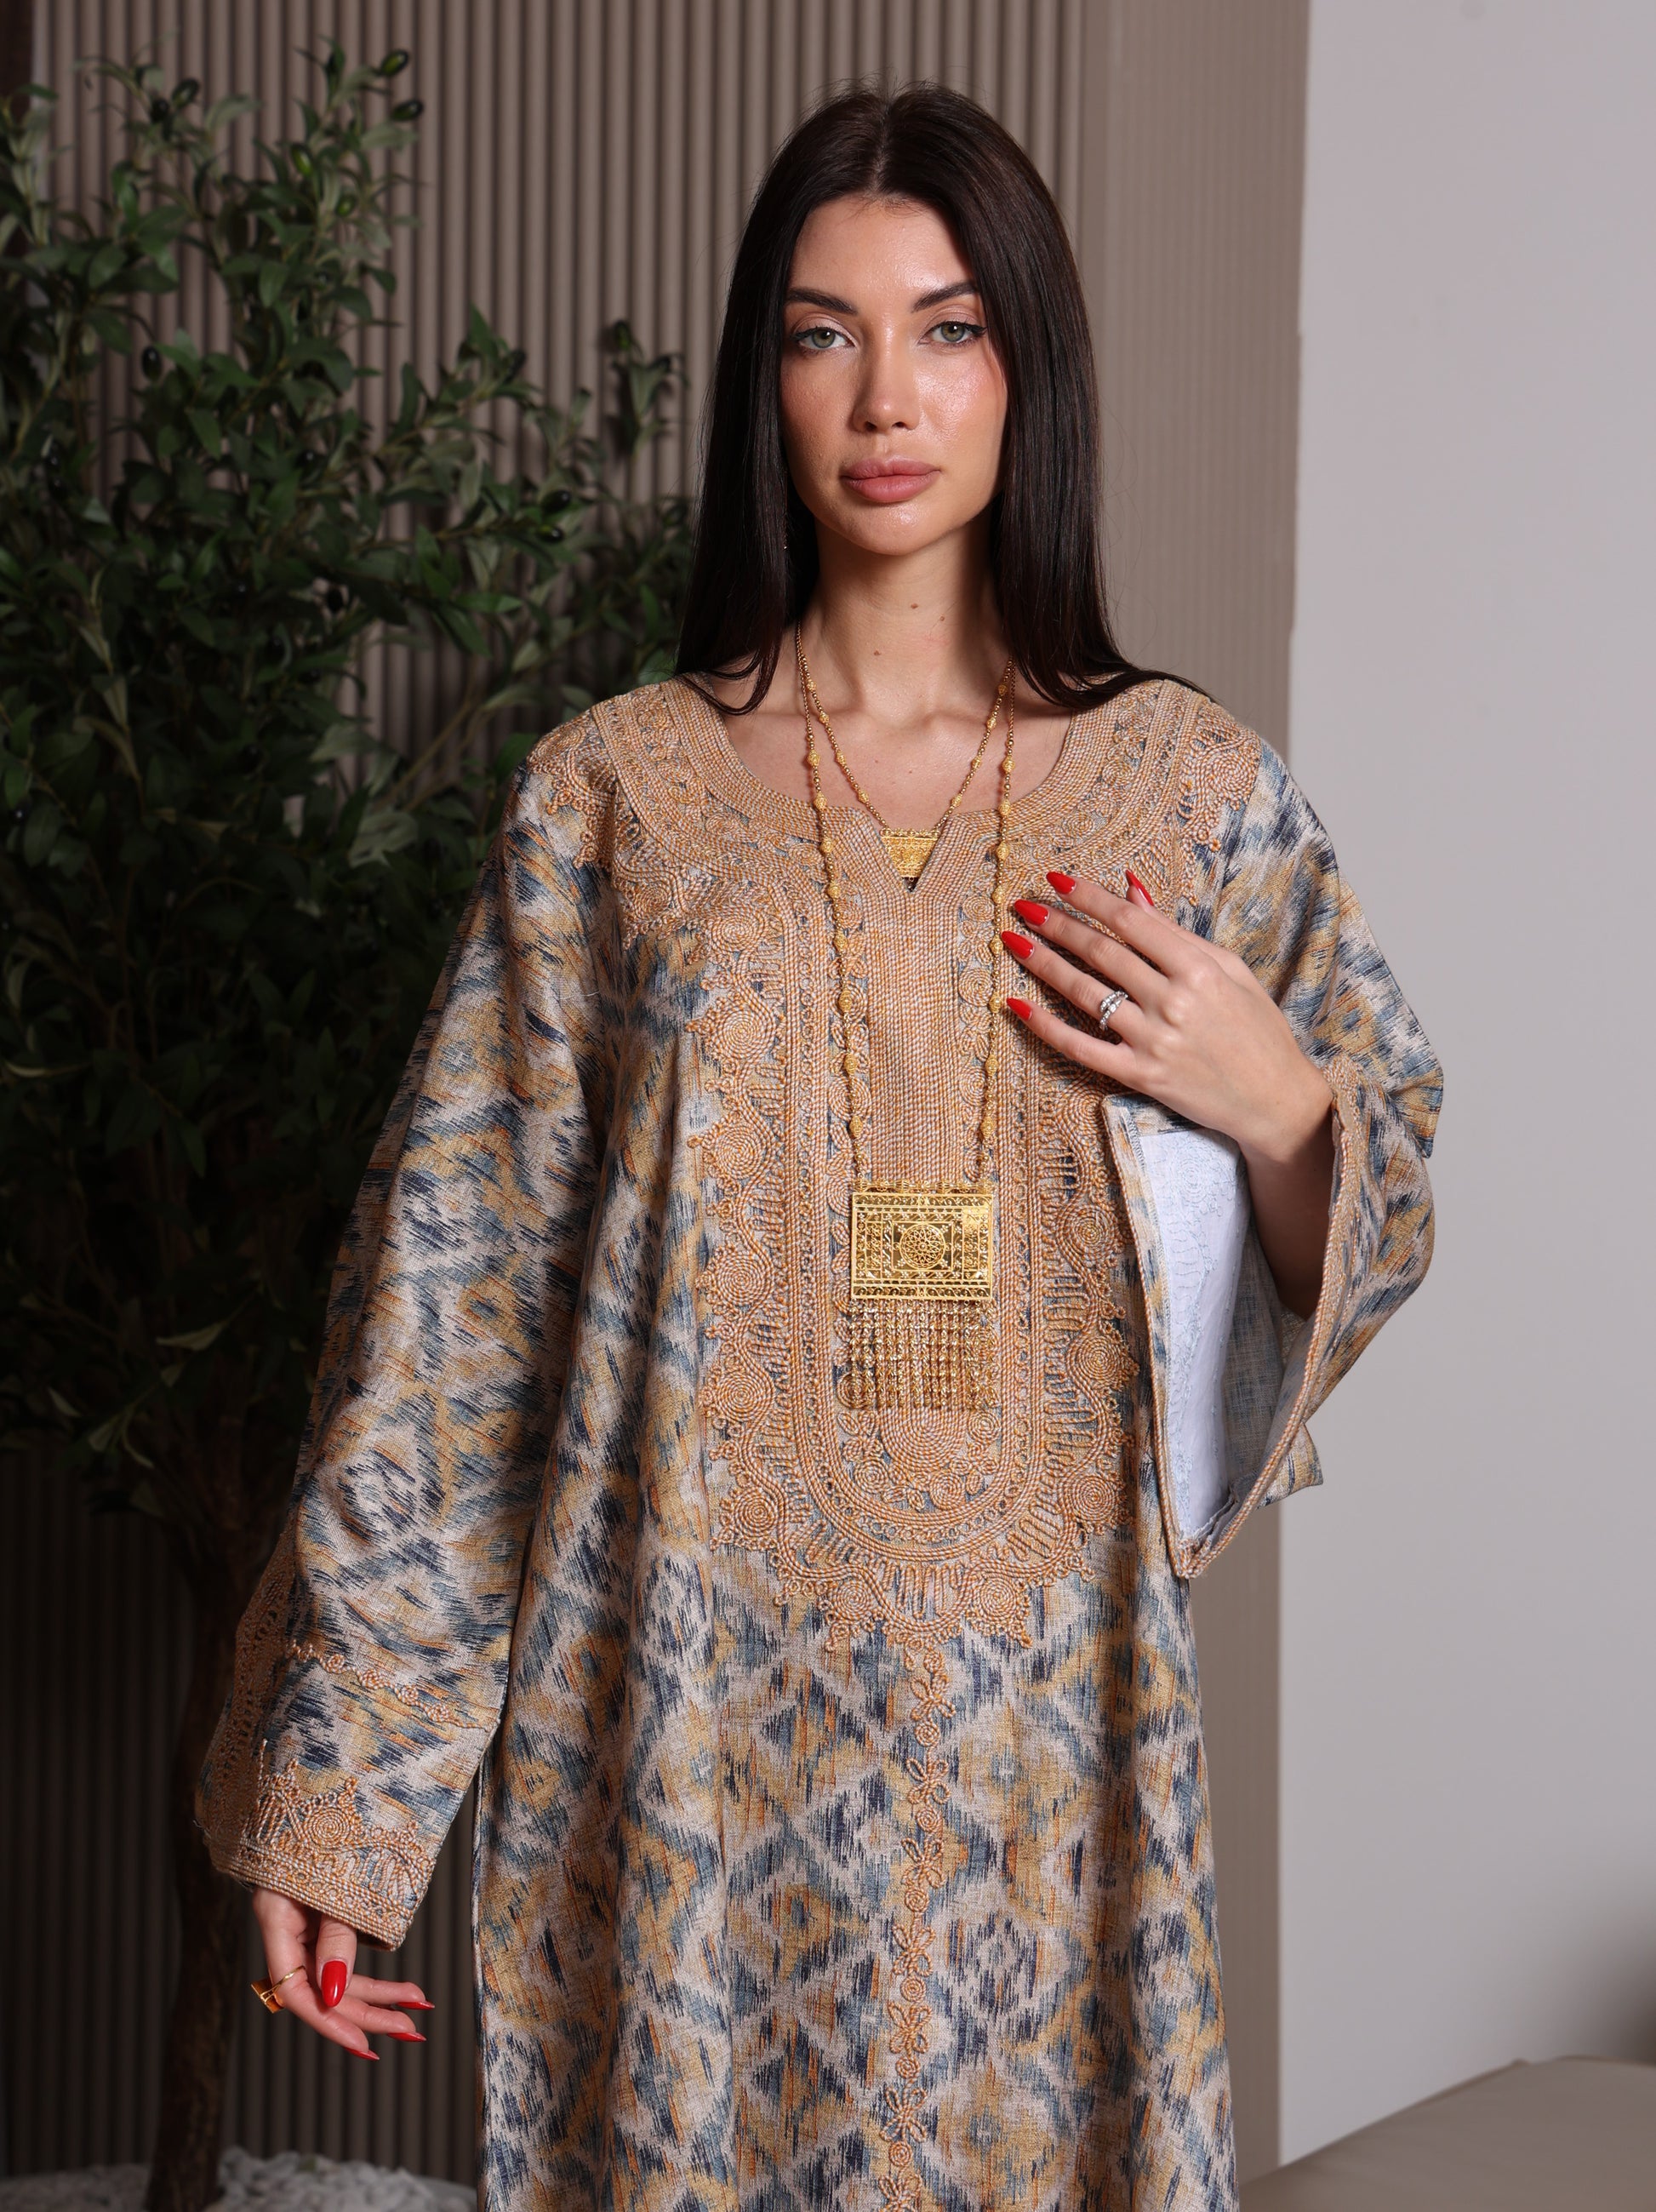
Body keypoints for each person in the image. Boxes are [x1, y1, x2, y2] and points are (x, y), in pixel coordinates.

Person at [200, 83, 1441, 2212]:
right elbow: (457, 1314)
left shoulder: (1192, 796)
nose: (885, 397)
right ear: (759, 382)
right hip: (685, 1715)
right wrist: (346, 1790)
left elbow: (1376, 1208)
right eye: (820, 333)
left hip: (1054, 1742)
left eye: (947, 329)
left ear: (1027, 370)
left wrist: (1288, 1108)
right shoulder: (611, 798)